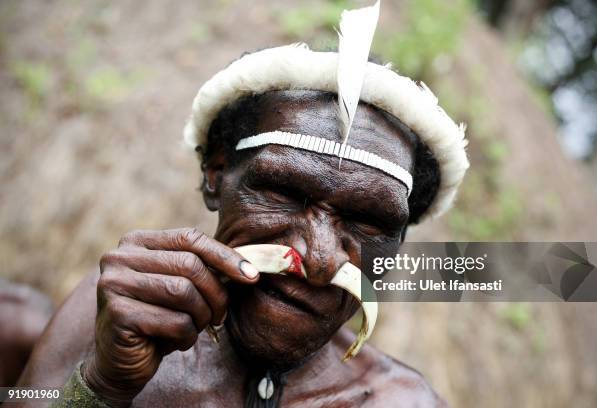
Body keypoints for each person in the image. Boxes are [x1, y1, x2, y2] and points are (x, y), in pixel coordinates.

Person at [19, 3, 468, 407]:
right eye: (284, 194)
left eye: (368, 220)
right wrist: (99, 387)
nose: (317, 259)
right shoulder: (108, 317)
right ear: (216, 177)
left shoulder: (403, 402)